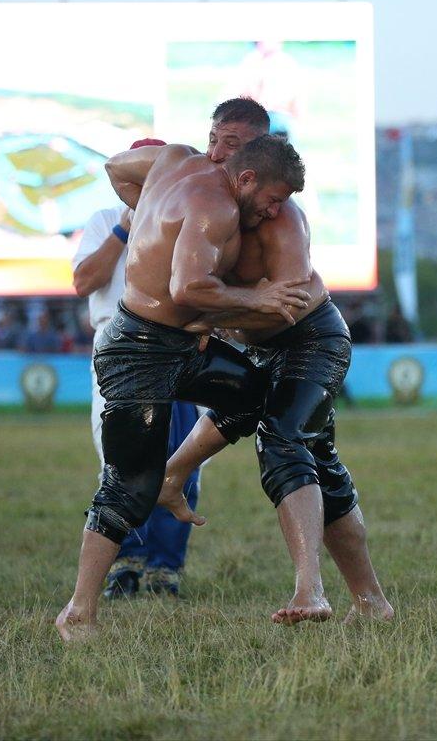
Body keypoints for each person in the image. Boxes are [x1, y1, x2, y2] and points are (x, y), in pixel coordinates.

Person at [107, 99, 391, 627]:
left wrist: (206, 318)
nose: (217, 153)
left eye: (232, 146)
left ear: (255, 160)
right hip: (255, 344)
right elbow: (117, 167)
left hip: (310, 341)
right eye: (214, 140)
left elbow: (283, 307)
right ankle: (372, 602)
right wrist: (149, 213)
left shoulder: (280, 221)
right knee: (319, 463)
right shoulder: (193, 185)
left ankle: (310, 590)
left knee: (283, 439)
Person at [55, 133, 312, 641]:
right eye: (272, 200)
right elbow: (187, 287)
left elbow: (116, 166)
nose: (274, 212)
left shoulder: (172, 160)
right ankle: (78, 610)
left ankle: (175, 474)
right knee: (129, 485)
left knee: (257, 394)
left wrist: (151, 211)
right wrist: (258, 299)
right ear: (246, 178)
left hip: (185, 345)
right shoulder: (215, 206)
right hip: (138, 350)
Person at [72, 148, 203, 599]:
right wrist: (123, 229)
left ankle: (165, 568)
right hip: (119, 346)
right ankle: (124, 564)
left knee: (181, 456)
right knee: (120, 457)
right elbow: (84, 281)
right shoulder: (105, 219)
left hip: (176, 343)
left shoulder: (185, 219)